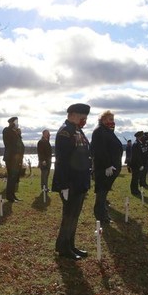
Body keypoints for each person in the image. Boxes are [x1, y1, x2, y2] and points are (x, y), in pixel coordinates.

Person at [52, 103, 91, 261]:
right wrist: (64, 186)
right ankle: (63, 247)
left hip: (79, 181)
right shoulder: (65, 132)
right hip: (70, 183)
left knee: (75, 215)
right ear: (73, 114)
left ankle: (70, 245)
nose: (84, 119)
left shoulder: (77, 130)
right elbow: (62, 161)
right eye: (82, 116)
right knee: (69, 216)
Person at [90, 110, 123, 224]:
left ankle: (103, 213)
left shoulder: (107, 130)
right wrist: (108, 165)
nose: (112, 122)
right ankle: (101, 216)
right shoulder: (99, 131)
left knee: (104, 193)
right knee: (101, 192)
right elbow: (100, 151)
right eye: (110, 119)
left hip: (110, 168)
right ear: (103, 120)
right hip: (104, 169)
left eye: (113, 119)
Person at [2, 116, 25, 202]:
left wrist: (18, 134)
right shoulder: (7, 130)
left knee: (15, 178)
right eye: (16, 122)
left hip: (17, 159)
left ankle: (12, 195)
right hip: (11, 158)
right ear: (12, 123)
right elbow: (10, 143)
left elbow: (19, 144)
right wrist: (14, 131)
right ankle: (9, 196)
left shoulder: (15, 132)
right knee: (11, 177)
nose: (17, 124)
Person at [129, 131, 145, 197]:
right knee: (135, 178)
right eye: (142, 136)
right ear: (139, 137)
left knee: (136, 178)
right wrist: (139, 165)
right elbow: (136, 157)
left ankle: (136, 189)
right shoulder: (136, 144)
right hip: (135, 165)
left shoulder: (138, 143)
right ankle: (134, 190)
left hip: (137, 164)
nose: (143, 137)